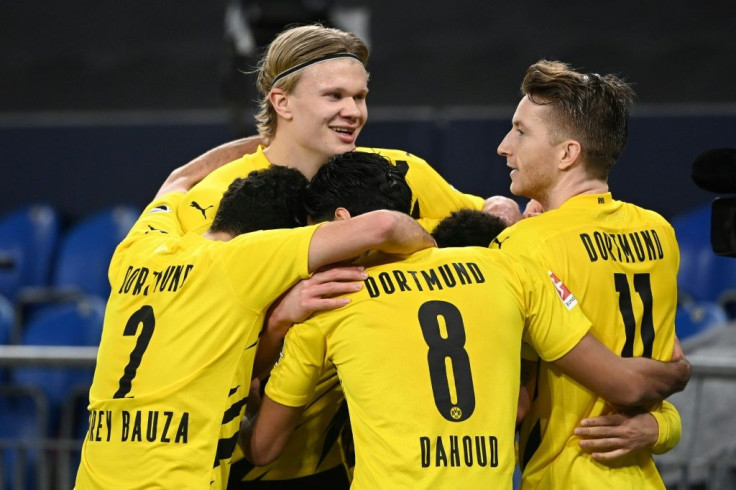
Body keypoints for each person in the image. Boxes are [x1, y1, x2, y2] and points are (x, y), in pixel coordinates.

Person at [175, 23, 517, 488]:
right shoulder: (221, 198)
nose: (353, 111)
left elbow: (494, 219)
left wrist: (503, 208)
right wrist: (279, 320)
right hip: (244, 462)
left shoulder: (396, 175)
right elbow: (191, 340)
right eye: (334, 96)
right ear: (282, 102)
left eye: (360, 97)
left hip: (348, 465)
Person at [238, 150, 690, 489]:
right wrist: (673, 384)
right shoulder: (507, 270)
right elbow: (529, 402)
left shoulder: (329, 309)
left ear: (342, 222)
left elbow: (263, 449)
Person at [74, 158, 436, 489]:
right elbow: (385, 224)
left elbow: (177, 180)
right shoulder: (244, 260)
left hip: (92, 477)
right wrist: (434, 251)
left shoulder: (137, 250)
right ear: (274, 237)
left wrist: (259, 144)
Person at [492, 59, 682, 489]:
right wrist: (665, 427)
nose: (505, 146)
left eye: (521, 131)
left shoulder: (524, 246)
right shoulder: (658, 232)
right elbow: (669, 363)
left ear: (567, 153)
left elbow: (511, 404)